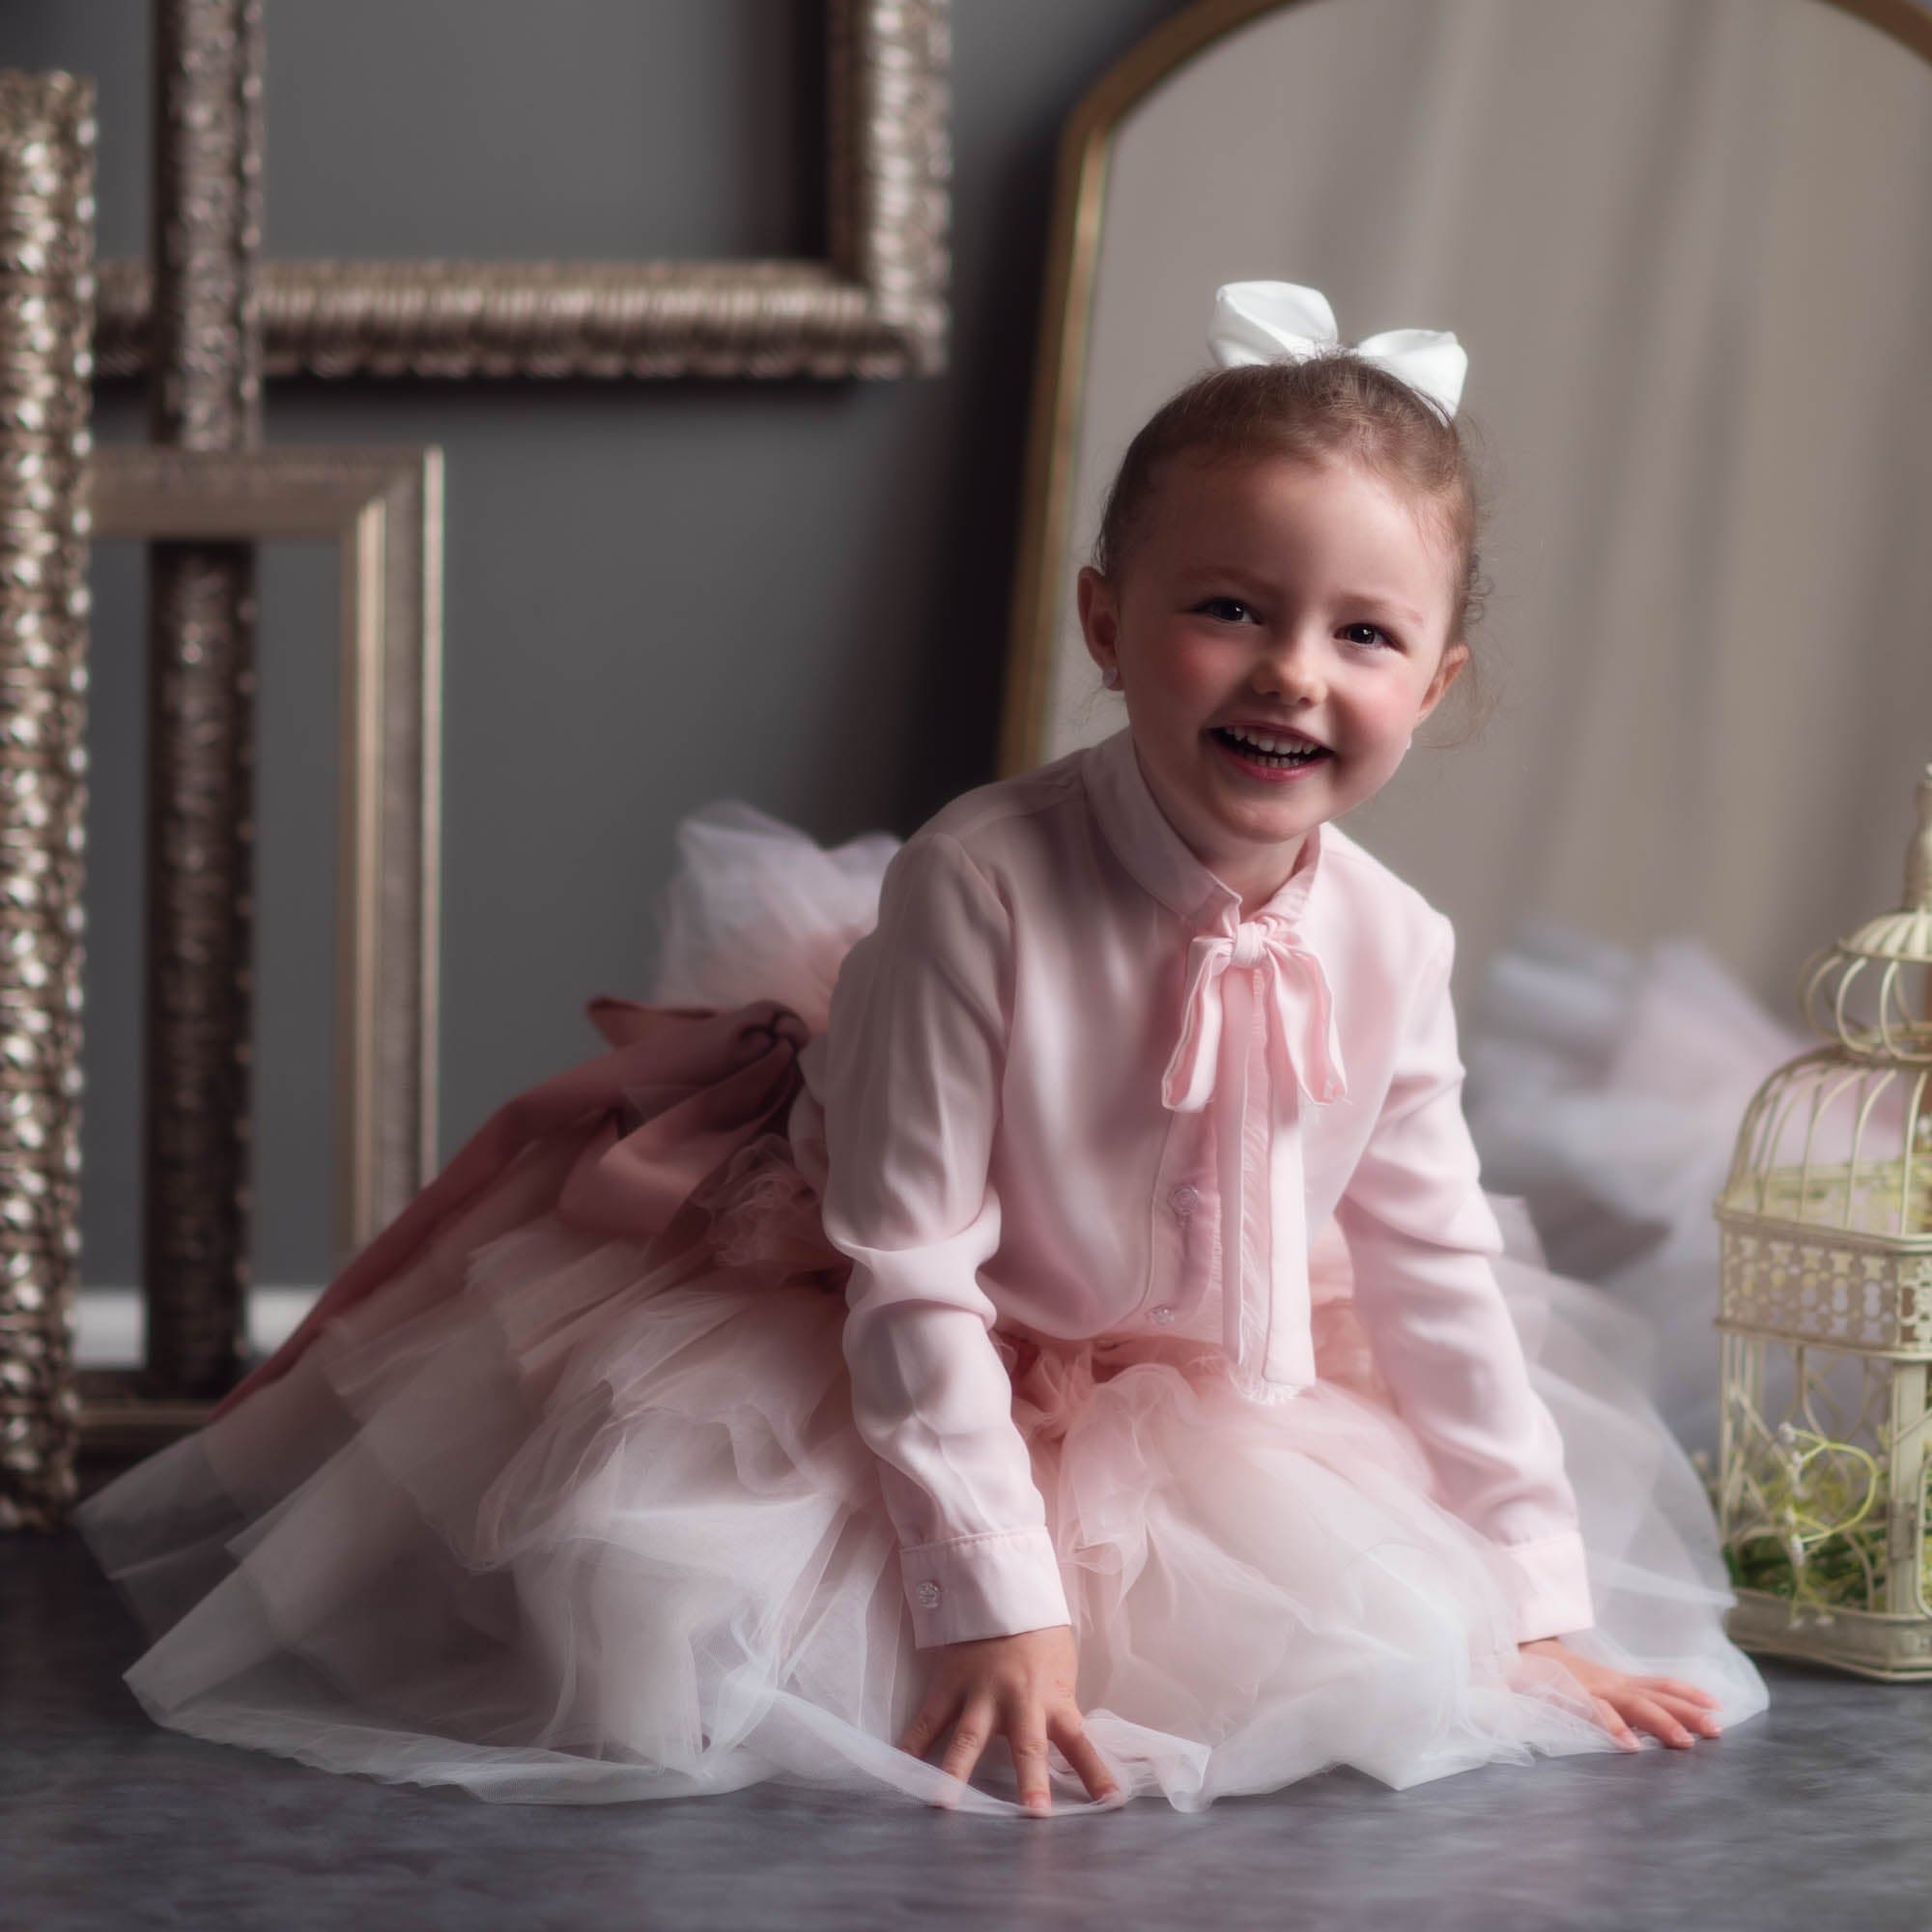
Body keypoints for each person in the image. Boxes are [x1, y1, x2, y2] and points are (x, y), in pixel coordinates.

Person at [71, 280, 1769, 1819]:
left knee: (1374, 1635)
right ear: (1107, 622)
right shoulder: (984, 884)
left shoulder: (1394, 938)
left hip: (1193, 1364)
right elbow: (910, 1255)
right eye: (1231, 608)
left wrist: (1529, 1596)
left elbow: (1433, 1265)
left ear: (1438, 683)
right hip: (904, 1324)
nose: (1292, 675)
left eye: (1365, 635)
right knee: (725, 1632)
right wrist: (991, 1596)